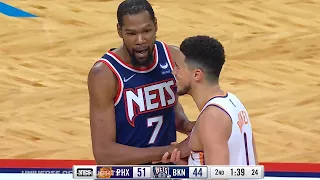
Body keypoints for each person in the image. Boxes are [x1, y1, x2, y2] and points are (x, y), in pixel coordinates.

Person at [87, 0, 194, 165]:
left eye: (146, 31)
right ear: (119, 31)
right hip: (127, 172)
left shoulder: (172, 56)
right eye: (131, 33)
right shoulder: (104, 74)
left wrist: (187, 125)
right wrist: (167, 151)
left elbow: (167, 108)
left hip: (166, 169)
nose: (140, 40)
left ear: (156, 25)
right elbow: (104, 153)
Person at [158, 35, 259, 166]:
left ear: (196, 75)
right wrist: (184, 165)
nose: (174, 72)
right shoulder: (233, 102)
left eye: (178, 67)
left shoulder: (212, 117)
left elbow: (218, 175)